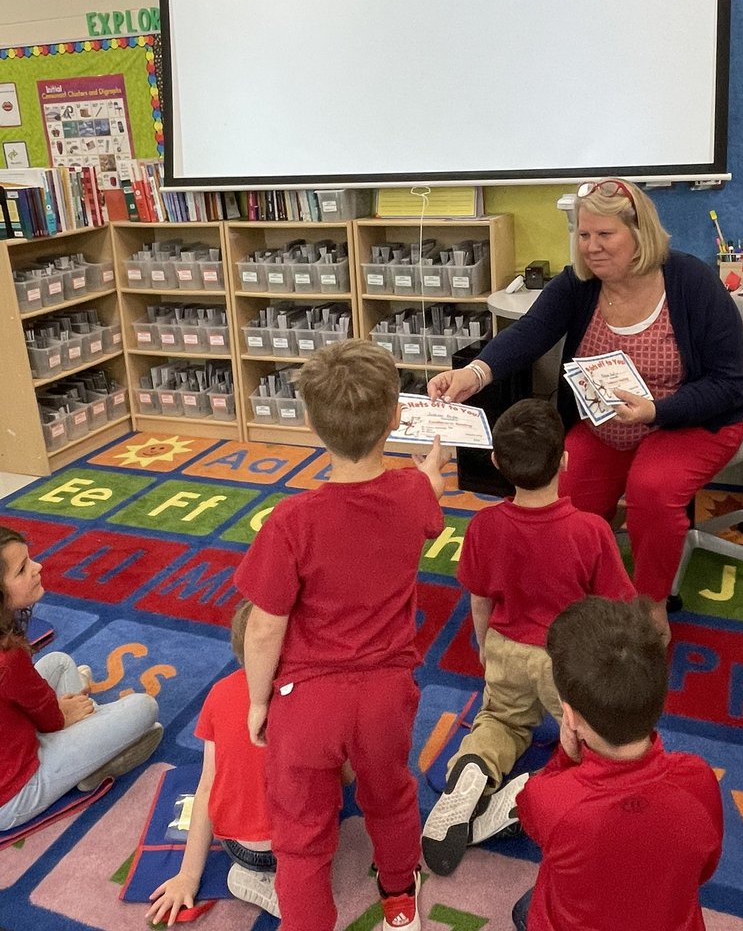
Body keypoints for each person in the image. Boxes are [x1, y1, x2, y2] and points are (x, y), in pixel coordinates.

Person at [428, 178, 743, 641]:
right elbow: (531, 332)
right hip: (607, 426)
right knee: (554, 500)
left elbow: (728, 387)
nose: (592, 247)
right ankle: (558, 593)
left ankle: (650, 606)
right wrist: (474, 374)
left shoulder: (691, 282)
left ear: (639, 234)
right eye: (583, 235)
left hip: (688, 420)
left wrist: (657, 410)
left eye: (605, 235)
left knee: (652, 490)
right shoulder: (578, 284)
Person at [234, 339, 450, 931]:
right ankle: (401, 900)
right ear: (397, 417)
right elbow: (425, 511)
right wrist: (430, 476)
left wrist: (257, 700)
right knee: (391, 795)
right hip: (387, 694)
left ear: (308, 421)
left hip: (307, 703)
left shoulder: (290, 522)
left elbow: (262, 629)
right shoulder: (412, 494)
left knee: (300, 834)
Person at [421, 398, 635, 876]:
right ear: (565, 460)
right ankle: (535, 793)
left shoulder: (483, 526)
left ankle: (473, 769)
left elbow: (479, 599)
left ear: (496, 464)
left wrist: (483, 645)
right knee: (587, 739)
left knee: (500, 721)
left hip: (506, 648)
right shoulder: (592, 531)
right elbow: (617, 609)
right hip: (568, 660)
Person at [510, 595, 723, 930]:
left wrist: (566, 759)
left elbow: (529, 814)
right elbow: (704, 870)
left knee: (528, 907)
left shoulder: (550, 798)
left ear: (570, 717)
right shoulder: (699, 779)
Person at [0, 526, 162, 832]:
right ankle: (98, 760)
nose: (38, 567)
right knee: (144, 707)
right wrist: (61, 714)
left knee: (59, 663)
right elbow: (51, 722)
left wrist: (57, 711)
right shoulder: (8, 658)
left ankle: (93, 753)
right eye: (22, 569)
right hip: (15, 792)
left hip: (14, 741)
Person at [147, 599, 279, 926]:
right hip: (293, 849)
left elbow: (207, 783)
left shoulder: (219, 693)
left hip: (240, 846)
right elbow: (344, 779)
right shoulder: (311, 698)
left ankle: (261, 877)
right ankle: (285, 889)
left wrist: (189, 876)